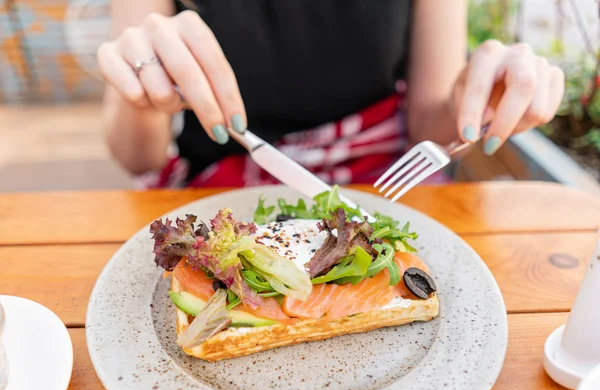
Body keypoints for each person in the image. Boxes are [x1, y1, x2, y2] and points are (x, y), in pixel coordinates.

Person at [97, 0, 564, 188]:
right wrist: (138, 95)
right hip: (220, 178)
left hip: (383, 179)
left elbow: (427, 125)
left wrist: (473, 100)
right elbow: (138, 158)